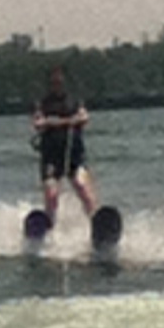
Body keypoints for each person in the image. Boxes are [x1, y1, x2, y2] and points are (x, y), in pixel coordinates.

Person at [30, 66, 97, 226]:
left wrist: (54, 122)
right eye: (53, 83)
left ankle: (96, 221)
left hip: (74, 155)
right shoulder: (42, 104)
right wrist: (67, 122)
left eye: (59, 82)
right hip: (51, 157)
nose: (57, 85)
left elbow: (84, 117)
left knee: (82, 187)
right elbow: (38, 123)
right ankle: (49, 226)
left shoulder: (75, 102)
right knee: (51, 195)